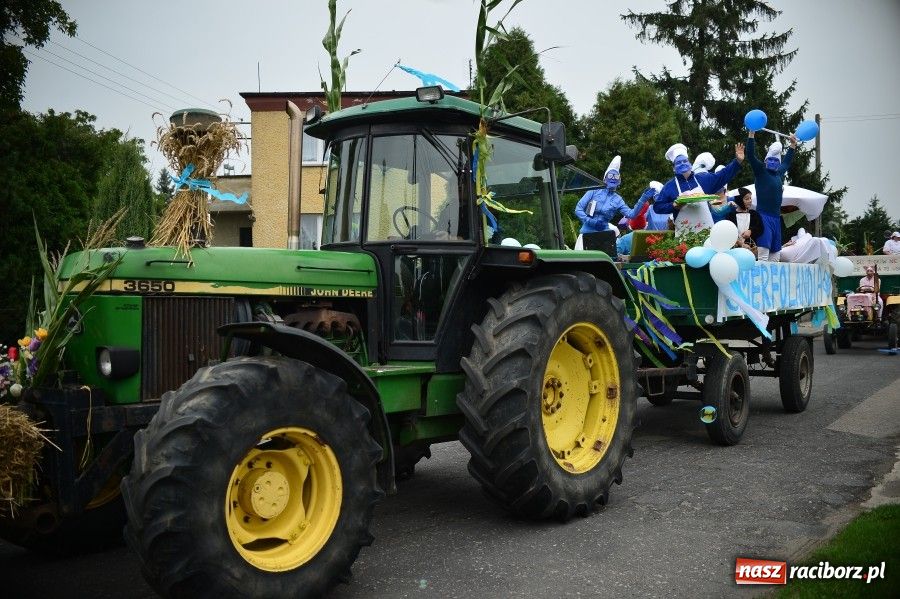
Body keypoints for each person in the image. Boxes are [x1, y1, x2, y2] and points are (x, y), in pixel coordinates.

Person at [653, 143, 745, 231]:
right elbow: (657, 207)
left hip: (707, 231)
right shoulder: (669, 186)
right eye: (678, 163)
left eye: (685, 161)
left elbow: (722, 175)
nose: (682, 164)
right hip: (684, 234)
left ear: (690, 164)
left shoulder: (703, 179)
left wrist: (737, 162)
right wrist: (673, 205)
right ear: (674, 168)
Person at [574, 155, 654, 250]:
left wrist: (643, 199)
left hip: (604, 236)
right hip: (586, 234)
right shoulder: (593, 191)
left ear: (619, 181)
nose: (613, 178)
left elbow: (631, 214)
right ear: (605, 178)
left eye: (616, 176)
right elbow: (578, 208)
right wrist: (590, 221)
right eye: (610, 175)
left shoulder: (618, 199)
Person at [746, 130, 797, 261]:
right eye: (770, 159)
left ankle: (773, 282)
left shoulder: (779, 173)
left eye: (776, 160)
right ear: (765, 160)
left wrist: (792, 145)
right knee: (763, 255)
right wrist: (751, 134)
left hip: (776, 218)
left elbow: (787, 162)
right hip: (763, 217)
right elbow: (751, 155)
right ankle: (760, 281)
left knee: (776, 256)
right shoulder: (761, 171)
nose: (773, 162)